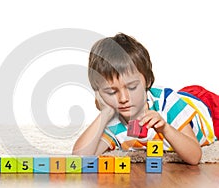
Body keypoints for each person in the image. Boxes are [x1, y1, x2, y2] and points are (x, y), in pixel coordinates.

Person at [72, 33, 218, 165]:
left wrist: (165, 128)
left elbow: (194, 157)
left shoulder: (167, 103)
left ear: (147, 81)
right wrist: (104, 114)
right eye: (111, 91)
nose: (123, 99)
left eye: (132, 87)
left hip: (206, 107)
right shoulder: (114, 121)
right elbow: (80, 158)